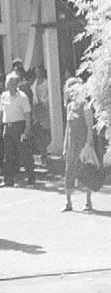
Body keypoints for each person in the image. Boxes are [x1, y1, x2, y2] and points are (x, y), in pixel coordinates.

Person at [62, 77, 94, 212]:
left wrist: (88, 145)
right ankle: (68, 202)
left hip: (83, 144)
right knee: (69, 171)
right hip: (72, 145)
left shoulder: (85, 106)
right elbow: (67, 128)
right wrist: (65, 146)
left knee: (86, 171)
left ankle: (88, 201)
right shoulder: (69, 107)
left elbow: (90, 127)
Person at [0, 73, 35, 187]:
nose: (11, 85)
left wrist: (27, 130)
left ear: (17, 84)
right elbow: (1, 113)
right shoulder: (4, 96)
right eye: (9, 83)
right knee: (8, 155)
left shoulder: (22, 97)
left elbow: (27, 114)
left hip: (19, 127)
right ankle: (8, 180)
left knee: (24, 153)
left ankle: (31, 178)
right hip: (7, 127)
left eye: (13, 83)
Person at [31, 66, 51, 164]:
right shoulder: (34, 84)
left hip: (45, 109)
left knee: (46, 131)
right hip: (37, 109)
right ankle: (43, 152)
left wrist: (43, 102)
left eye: (39, 71)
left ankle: (46, 149)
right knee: (38, 131)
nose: (37, 73)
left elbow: (49, 95)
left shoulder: (47, 83)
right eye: (36, 72)